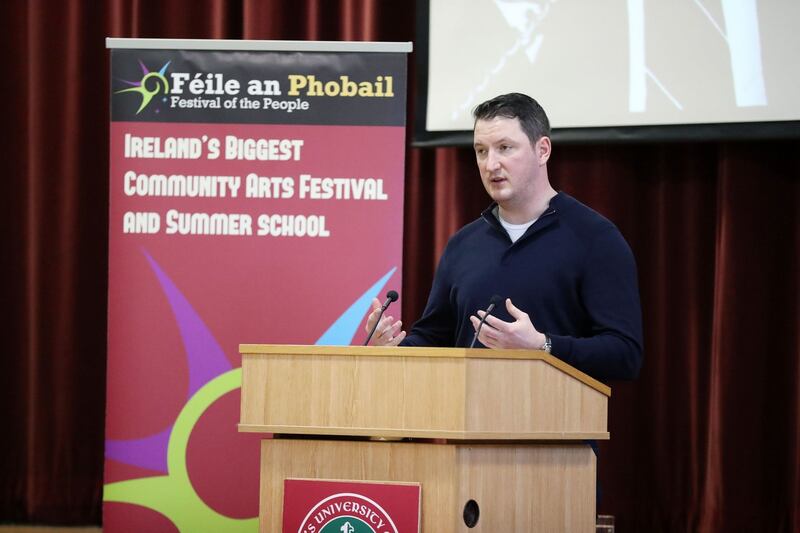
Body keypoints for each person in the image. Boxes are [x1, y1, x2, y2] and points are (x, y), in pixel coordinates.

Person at [366, 93, 642, 381]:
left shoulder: (595, 238)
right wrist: (395, 349)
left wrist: (542, 345)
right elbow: (434, 336)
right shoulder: (463, 244)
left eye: (505, 148)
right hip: (465, 421)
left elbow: (624, 355)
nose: (490, 164)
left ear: (542, 150)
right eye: (481, 151)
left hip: (554, 420)